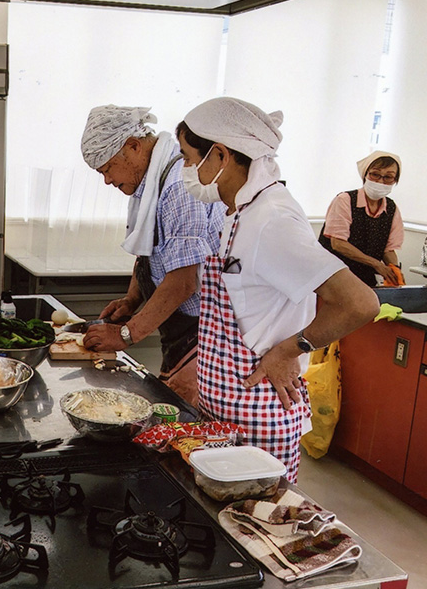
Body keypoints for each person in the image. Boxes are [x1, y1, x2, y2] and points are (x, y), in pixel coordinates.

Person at [176, 97, 379, 482]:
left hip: (258, 417)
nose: (186, 170)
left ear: (219, 155)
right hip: (225, 409)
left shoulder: (272, 219)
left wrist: (291, 348)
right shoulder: (240, 211)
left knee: (253, 529)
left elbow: (360, 303)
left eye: (189, 158)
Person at [79, 105, 224, 406]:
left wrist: (126, 335)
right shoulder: (149, 183)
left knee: (183, 419)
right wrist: (132, 299)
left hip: (203, 333)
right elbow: (148, 248)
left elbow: (184, 281)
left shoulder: (179, 186)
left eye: (107, 169)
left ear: (133, 146)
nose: (107, 180)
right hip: (180, 325)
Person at [318, 151, 405, 287]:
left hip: (365, 277)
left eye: (388, 177)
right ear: (365, 174)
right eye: (375, 174)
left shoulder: (391, 208)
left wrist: (394, 269)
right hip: (333, 274)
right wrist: (376, 264)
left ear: (395, 181)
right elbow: (338, 243)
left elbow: (388, 249)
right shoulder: (345, 200)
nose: (381, 181)